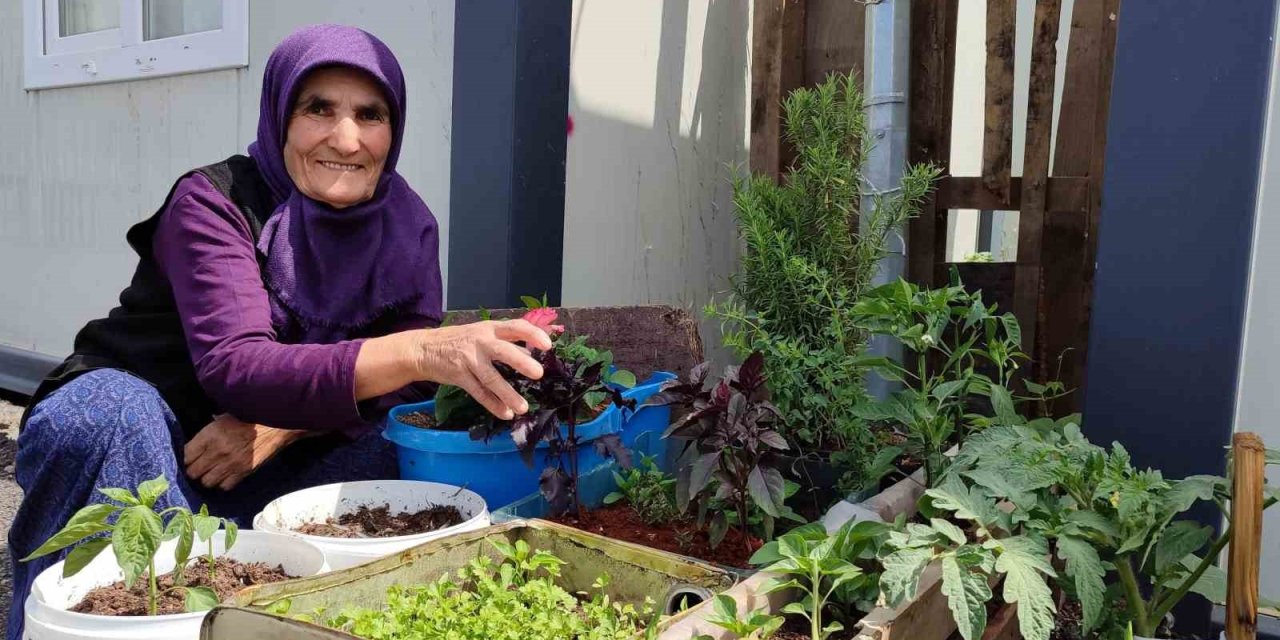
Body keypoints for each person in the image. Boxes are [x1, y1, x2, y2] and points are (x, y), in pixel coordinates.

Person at [5, 24, 550, 638]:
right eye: (318, 108)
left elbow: (405, 387)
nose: (346, 139)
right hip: (155, 427)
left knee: (396, 448)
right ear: (280, 115)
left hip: (266, 449)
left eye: (370, 115)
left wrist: (284, 427)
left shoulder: (407, 224)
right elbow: (236, 365)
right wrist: (420, 349)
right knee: (108, 415)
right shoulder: (213, 203)